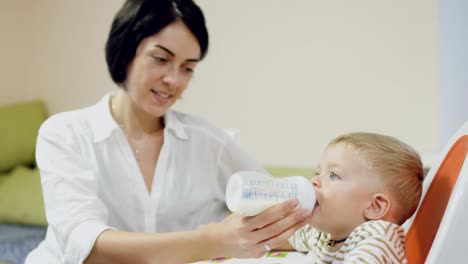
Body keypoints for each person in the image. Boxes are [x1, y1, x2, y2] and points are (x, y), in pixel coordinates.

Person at [25, 0, 313, 263]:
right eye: (161, 59)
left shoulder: (209, 142)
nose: (174, 80)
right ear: (126, 52)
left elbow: (281, 207)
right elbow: (88, 247)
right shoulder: (64, 133)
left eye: (187, 68)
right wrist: (212, 240)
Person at [283, 132, 423, 263]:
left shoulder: (378, 237)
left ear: (374, 206)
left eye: (333, 175)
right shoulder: (326, 232)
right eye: (318, 172)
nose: (314, 180)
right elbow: (283, 238)